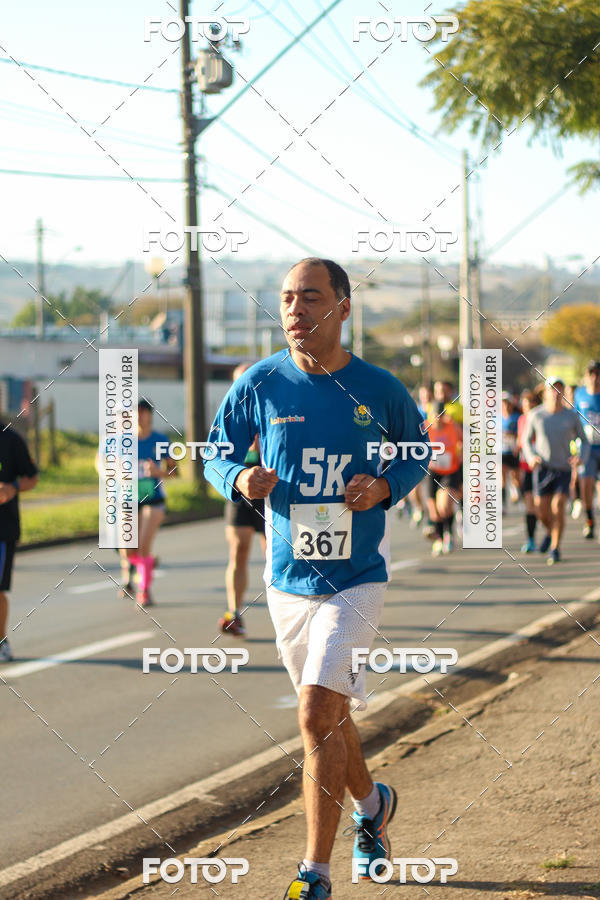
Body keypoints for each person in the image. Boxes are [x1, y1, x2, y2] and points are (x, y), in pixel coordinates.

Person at [203, 258, 430, 900]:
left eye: (310, 298)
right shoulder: (260, 383)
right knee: (329, 718)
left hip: (357, 577)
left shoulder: (378, 388)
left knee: (314, 711)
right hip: (287, 580)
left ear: (343, 307)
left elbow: (418, 451)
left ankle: (315, 873)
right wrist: (238, 478)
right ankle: (373, 804)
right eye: (286, 300)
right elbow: (216, 452)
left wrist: (384, 486)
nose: (295, 311)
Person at [219, 363, 267, 637]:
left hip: (269, 487)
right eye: (239, 381)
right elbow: (217, 457)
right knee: (238, 551)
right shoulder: (229, 414)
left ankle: (288, 611)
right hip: (240, 487)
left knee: (273, 554)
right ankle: (235, 613)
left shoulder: (270, 406)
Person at [522, 377, 589, 565]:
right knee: (542, 511)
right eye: (552, 389)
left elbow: (584, 440)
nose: (556, 393)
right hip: (542, 469)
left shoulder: (571, 415)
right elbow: (526, 441)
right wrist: (531, 457)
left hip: (563, 469)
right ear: (545, 393)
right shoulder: (536, 415)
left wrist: (580, 458)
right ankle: (551, 534)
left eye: (559, 389)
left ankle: (555, 547)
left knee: (558, 506)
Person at [120, 399, 178, 606]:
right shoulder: (123, 441)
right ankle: (147, 564)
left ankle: (144, 590)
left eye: (143, 412)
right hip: (130, 498)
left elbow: (174, 471)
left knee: (143, 546)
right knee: (128, 550)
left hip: (154, 499)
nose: (139, 416)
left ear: (150, 415)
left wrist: (158, 472)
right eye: (135, 413)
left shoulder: (160, 440)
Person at [0, 419, 38, 662]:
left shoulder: (10, 439)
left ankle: (1, 641)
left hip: (3, 529)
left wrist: (12, 487)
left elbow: (32, 478)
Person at [425, 402, 462, 555]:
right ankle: (440, 539)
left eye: (440, 415)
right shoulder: (424, 428)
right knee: (434, 511)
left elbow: (466, 440)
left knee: (444, 505)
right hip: (432, 471)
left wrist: (462, 455)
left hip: (450, 470)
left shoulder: (452, 427)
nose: (437, 419)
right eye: (435, 415)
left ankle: (449, 534)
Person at [574, 361, 600, 540]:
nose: (594, 378)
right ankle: (589, 520)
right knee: (585, 486)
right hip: (586, 447)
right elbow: (574, 419)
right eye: (591, 373)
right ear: (586, 375)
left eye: (597, 374)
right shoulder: (579, 394)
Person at [516, 390, 540, 552]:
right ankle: (531, 540)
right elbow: (520, 443)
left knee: (542, 506)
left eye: (531, 403)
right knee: (529, 506)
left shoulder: (541, 419)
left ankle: (551, 535)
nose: (528, 407)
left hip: (541, 468)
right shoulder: (521, 420)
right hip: (525, 467)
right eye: (525, 404)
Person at [502, 393, 521, 505]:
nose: (505, 405)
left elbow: (520, 433)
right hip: (501, 451)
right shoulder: (495, 417)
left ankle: (517, 495)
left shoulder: (516, 417)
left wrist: (512, 435)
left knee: (515, 477)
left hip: (513, 450)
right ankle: (503, 503)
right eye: (503, 403)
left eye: (507, 403)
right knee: (501, 477)